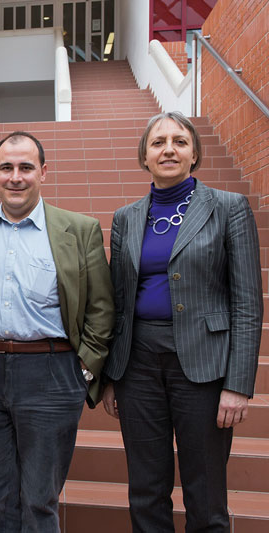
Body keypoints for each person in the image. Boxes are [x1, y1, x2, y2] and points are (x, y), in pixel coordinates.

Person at [0, 131, 114, 532]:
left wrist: (83, 371)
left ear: (43, 171)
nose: (15, 177)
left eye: (25, 167)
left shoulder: (80, 229)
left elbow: (102, 308)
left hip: (51, 374)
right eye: (6, 168)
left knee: (40, 500)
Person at [102, 111, 262, 532]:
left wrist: (238, 384)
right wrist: (111, 376)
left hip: (204, 365)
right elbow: (118, 300)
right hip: (137, 363)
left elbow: (247, 302)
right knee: (146, 490)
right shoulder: (126, 217)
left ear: (194, 153)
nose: (168, 149)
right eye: (158, 142)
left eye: (179, 141)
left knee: (206, 492)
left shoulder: (229, 208)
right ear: (145, 157)